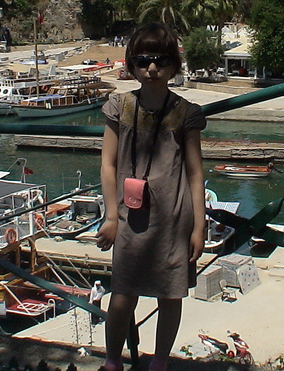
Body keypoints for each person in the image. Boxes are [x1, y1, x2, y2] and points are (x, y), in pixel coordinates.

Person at [96, 23, 207, 371]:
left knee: (171, 295)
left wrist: (199, 227)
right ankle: (113, 360)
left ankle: (160, 361)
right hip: (129, 218)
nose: (152, 68)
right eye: (143, 61)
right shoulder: (120, 106)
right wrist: (111, 216)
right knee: (122, 295)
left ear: (174, 65)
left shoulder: (185, 113)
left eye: (161, 60)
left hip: (174, 220)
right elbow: (108, 163)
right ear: (132, 65)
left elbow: (195, 172)